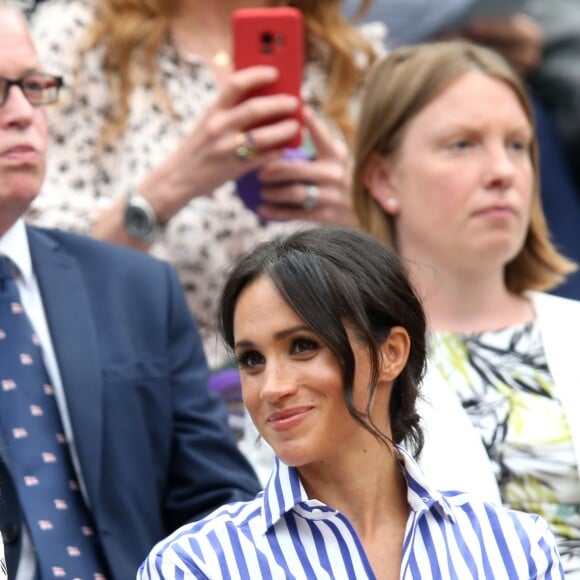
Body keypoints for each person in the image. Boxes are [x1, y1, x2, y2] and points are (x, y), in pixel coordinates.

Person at [138, 226, 564, 579]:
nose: (272, 387)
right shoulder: (194, 565)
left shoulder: (516, 549)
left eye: (303, 346)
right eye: (252, 360)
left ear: (391, 353)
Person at [0, 5, 261, 579]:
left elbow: (218, 506)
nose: (22, 114)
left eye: (34, 88)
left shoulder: (135, 286)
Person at [24, 0, 382, 369]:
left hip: (332, 392)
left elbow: (424, 281)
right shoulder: (82, 36)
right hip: (157, 393)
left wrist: (364, 216)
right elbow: (31, 260)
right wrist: (166, 190)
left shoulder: (347, 58)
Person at [353, 40, 580, 575]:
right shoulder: (344, 366)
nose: (503, 171)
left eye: (518, 146)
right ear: (384, 180)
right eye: (462, 144)